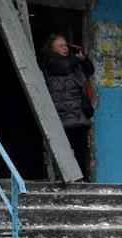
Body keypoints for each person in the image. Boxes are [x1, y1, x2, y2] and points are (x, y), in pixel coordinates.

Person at [41, 34, 95, 181]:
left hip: (78, 115)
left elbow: (89, 71)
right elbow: (62, 67)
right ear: (52, 49)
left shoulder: (73, 61)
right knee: (64, 151)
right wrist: (76, 59)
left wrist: (83, 58)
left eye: (66, 45)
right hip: (62, 115)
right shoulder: (50, 60)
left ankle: (81, 178)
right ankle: (65, 179)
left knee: (81, 150)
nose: (64, 48)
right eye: (60, 46)